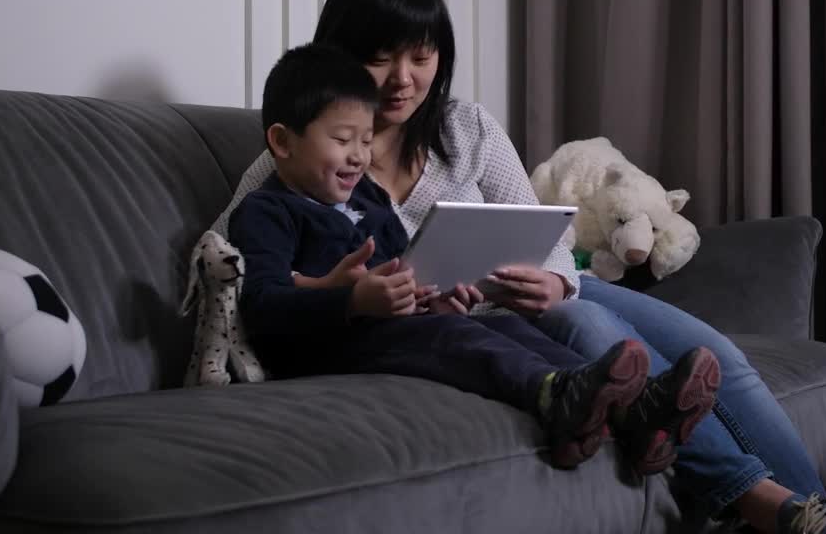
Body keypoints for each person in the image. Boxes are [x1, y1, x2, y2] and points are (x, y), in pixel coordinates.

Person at [213, 0, 826, 534]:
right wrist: (327, 291)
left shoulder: (464, 127)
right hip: (477, 317)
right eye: (380, 57)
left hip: (541, 290)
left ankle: (814, 512)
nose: (402, 79)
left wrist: (556, 280)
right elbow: (227, 250)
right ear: (339, 55)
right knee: (594, 328)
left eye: (421, 56)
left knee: (721, 355)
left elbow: (546, 230)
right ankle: (762, 500)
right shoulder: (309, 152)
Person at [226, 41, 721, 472]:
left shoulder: (366, 198)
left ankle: (639, 414)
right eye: (341, 140)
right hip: (326, 347)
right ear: (282, 142)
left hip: (392, 328)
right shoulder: (267, 211)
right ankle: (554, 394)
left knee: (500, 326)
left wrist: (433, 296)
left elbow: (406, 268)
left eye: (364, 138)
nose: (359, 155)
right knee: (453, 335)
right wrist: (350, 300)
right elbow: (263, 307)